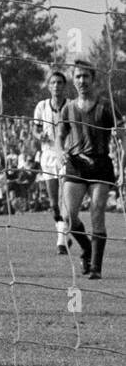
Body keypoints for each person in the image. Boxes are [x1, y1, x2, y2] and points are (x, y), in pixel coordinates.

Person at [58, 60, 121, 279]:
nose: (82, 80)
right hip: (75, 165)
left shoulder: (106, 106)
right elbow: (60, 135)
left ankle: (96, 267)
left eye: (86, 76)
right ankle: (86, 249)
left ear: (93, 79)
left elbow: (122, 136)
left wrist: (122, 165)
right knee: (68, 217)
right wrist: (60, 151)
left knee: (97, 213)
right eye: (78, 76)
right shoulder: (68, 108)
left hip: (100, 165)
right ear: (73, 80)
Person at [32, 71, 69, 254]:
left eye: (59, 82)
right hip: (47, 155)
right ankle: (63, 232)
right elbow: (35, 130)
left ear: (64, 85)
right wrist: (40, 135)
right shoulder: (41, 106)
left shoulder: (71, 106)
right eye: (53, 83)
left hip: (65, 155)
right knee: (54, 202)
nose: (56, 86)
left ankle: (61, 241)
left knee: (64, 199)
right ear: (49, 86)